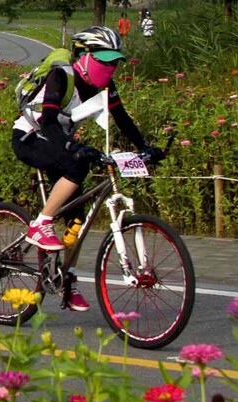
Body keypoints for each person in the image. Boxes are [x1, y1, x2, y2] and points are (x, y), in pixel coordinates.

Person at [10, 26, 164, 310]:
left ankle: (66, 279)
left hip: (59, 143)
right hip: (30, 137)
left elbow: (122, 118)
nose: (110, 68)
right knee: (77, 163)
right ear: (83, 56)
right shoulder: (61, 76)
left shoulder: (104, 85)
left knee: (77, 221)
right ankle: (42, 223)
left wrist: (146, 147)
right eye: (104, 61)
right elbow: (48, 123)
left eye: (114, 62)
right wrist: (72, 146)